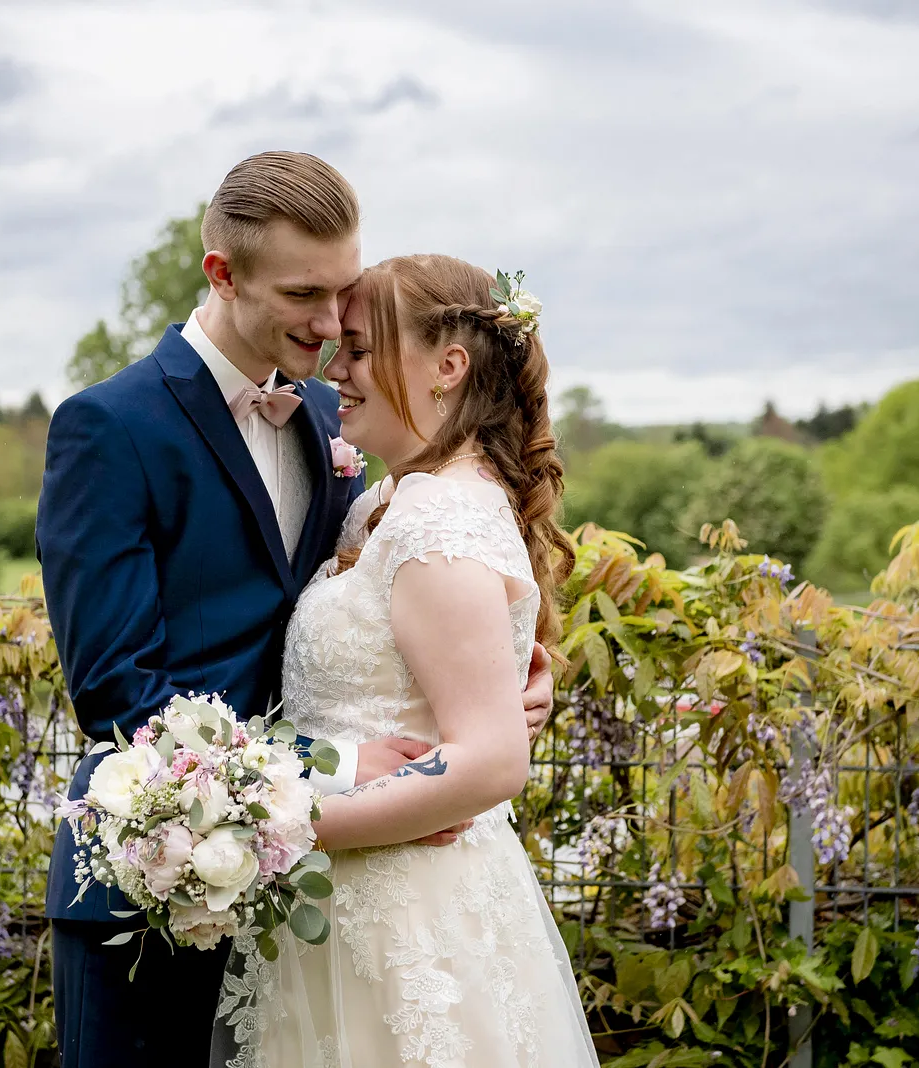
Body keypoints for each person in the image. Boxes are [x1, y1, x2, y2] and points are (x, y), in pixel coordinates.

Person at [36, 153, 555, 1068]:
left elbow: (394, 610)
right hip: (157, 879)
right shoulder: (108, 428)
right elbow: (118, 693)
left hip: (320, 906)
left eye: (344, 296)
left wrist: (498, 692)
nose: (329, 327)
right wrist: (337, 767)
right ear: (223, 275)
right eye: (305, 295)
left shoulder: (340, 422)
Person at [211, 254, 598, 1067]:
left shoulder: (437, 523)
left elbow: (491, 761)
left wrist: (283, 829)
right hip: (340, 908)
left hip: (410, 916)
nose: (333, 369)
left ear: (449, 366)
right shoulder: (388, 505)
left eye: (357, 349)